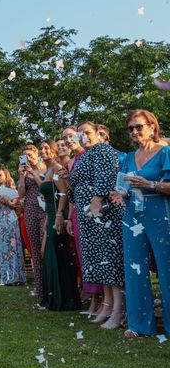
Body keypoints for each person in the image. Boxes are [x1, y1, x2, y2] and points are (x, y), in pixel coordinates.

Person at [109, 110, 170, 337]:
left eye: (139, 126)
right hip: (132, 215)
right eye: (131, 128)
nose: (135, 131)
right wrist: (118, 195)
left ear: (152, 127)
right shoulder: (127, 158)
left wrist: (150, 184)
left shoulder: (165, 152)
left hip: (160, 213)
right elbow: (122, 188)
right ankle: (139, 324)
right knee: (134, 268)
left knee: (167, 268)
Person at [69, 122, 124, 330]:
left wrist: (97, 199)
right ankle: (107, 306)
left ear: (99, 134)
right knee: (99, 260)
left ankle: (118, 310)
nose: (84, 137)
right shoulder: (85, 155)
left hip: (103, 213)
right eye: (80, 134)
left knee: (109, 260)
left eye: (88, 133)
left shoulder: (103, 149)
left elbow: (107, 175)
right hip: (88, 216)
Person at [63, 125, 103, 314]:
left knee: (99, 253)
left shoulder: (96, 153)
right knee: (84, 254)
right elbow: (72, 190)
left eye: (72, 136)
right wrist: (70, 217)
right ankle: (94, 297)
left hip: (96, 210)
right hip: (79, 211)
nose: (69, 140)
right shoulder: (74, 160)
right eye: (66, 138)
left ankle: (102, 299)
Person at [37, 141, 81, 311]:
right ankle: (55, 297)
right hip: (50, 215)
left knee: (55, 254)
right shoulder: (48, 170)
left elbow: (63, 194)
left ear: (54, 150)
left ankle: (62, 299)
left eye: (47, 148)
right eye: (41, 148)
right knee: (48, 253)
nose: (43, 151)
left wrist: (58, 216)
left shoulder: (55, 168)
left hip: (58, 216)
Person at [0, 168, 26, 286]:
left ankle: (15, 277)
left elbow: (15, 205)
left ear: (6, 176)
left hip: (11, 219)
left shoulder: (12, 188)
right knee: (3, 247)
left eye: (0, 175)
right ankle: (5, 276)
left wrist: (7, 201)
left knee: (13, 247)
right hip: (0, 220)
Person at [17, 145, 46, 298]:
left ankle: (50, 285)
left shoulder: (46, 168)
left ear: (36, 154)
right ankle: (39, 286)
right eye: (25, 156)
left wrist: (33, 172)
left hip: (45, 210)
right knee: (34, 249)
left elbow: (46, 188)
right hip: (30, 210)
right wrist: (22, 176)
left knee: (45, 247)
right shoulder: (25, 173)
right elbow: (21, 193)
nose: (28, 158)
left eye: (30, 154)